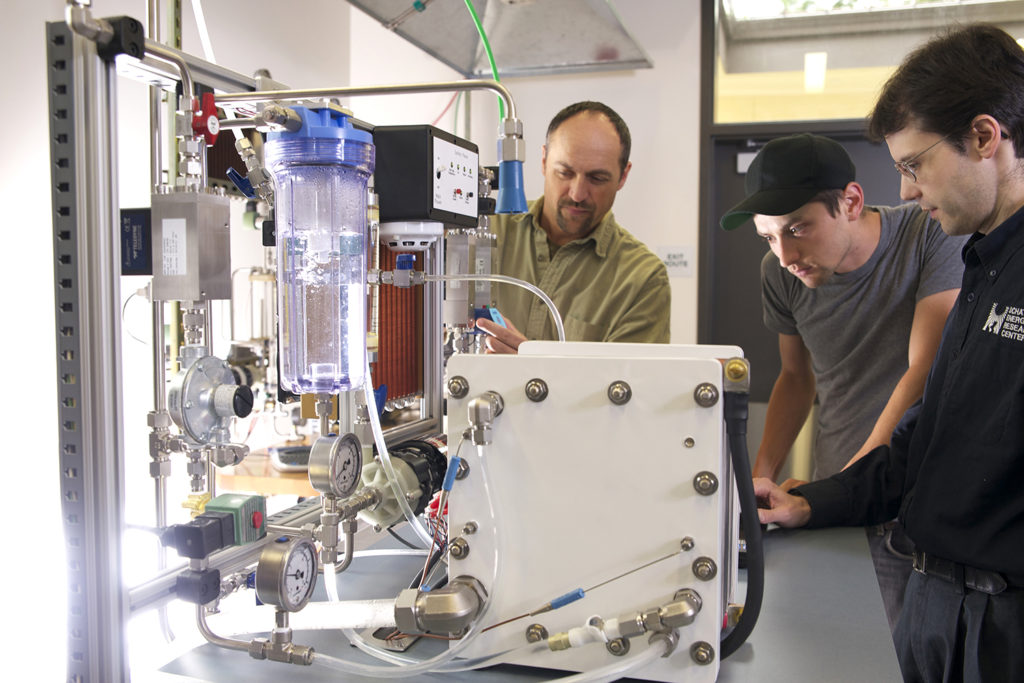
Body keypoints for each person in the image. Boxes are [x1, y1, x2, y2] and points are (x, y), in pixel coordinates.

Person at [755, 24, 1024, 681]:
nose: (904, 189)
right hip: (941, 605)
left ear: (985, 138)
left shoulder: (954, 252)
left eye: (914, 164)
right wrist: (812, 501)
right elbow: (920, 442)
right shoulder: (985, 262)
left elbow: (917, 380)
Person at [719, 133, 966, 632]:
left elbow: (924, 371)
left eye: (798, 229)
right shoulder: (780, 272)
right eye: (769, 237)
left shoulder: (927, 235)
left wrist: (844, 488)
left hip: (911, 494)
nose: (785, 253)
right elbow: (795, 377)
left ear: (850, 203)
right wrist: (758, 482)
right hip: (832, 497)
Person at [475, 101, 670, 353]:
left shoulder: (642, 279)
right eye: (565, 172)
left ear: (623, 176)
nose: (577, 194)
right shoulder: (483, 234)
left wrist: (535, 368)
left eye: (597, 178)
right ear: (544, 161)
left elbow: (631, 386)